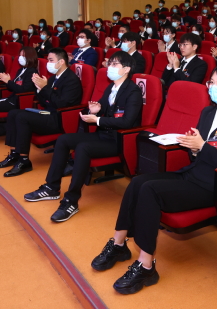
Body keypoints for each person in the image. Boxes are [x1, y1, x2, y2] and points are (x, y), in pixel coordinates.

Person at [90, 63, 217, 294]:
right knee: (138, 182)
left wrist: (202, 147)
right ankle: (118, 244)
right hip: (192, 173)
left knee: (150, 191)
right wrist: (194, 148)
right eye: (212, 82)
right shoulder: (208, 112)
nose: (214, 87)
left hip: (212, 185)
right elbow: (197, 152)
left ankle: (146, 266)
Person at [24, 51, 143, 222]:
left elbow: (127, 121)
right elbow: (102, 108)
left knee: (83, 148)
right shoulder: (111, 87)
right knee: (64, 140)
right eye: (110, 64)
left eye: (114, 64)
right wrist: (95, 111)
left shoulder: (133, 92)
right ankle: (51, 187)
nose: (110, 67)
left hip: (118, 140)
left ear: (126, 69)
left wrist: (98, 119)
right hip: (104, 134)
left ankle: (71, 201)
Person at [0, 48, 83, 176]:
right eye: (48, 60)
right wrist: (39, 89)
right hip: (47, 113)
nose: (48, 63)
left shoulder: (71, 79)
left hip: (59, 118)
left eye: (51, 60)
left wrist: (45, 88)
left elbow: (61, 104)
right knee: (14, 113)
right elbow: (43, 102)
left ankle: (24, 161)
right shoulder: (53, 78)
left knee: (22, 117)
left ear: (61, 62)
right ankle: (14, 154)